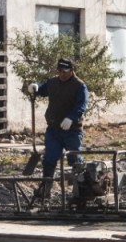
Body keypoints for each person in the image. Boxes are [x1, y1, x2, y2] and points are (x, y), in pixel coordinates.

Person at [27, 57, 88, 199]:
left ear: (72, 70)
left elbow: (81, 106)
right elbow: (42, 90)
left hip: (72, 131)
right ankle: (45, 189)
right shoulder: (53, 82)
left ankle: (79, 192)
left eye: (65, 71)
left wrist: (71, 118)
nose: (61, 74)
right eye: (59, 71)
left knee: (75, 160)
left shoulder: (80, 86)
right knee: (49, 159)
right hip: (54, 129)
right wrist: (34, 88)